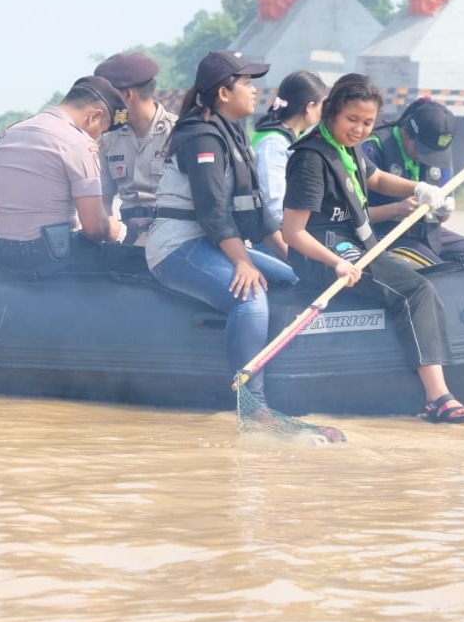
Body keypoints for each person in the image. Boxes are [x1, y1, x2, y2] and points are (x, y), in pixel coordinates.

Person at [281, 73, 464, 423]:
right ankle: (438, 399)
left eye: (368, 122)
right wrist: (337, 264)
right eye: (352, 120)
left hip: (351, 242)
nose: (360, 129)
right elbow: (292, 232)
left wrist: (419, 188)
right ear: (331, 111)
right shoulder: (311, 159)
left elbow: (375, 178)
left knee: (415, 277)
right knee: (415, 289)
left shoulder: (346, 149)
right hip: (322, 252)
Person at [144, 50, 307, 422]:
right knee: (249, 298)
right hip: (178, 246)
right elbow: (212, 212)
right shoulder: (202, 137)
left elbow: (260, 214)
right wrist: (243, 262)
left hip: (209, 241)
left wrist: (294, 257)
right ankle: (252, 405)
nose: (255, 91)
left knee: (294, 278)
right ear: (223, 93)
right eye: (247, 83)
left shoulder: (231, 133)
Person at [0, 75, 128, 275]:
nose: (97, 137)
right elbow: (94, 228)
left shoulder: (9, 134)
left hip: (6, 255)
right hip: (54, 260)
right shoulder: (78, 143)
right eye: (101, 130)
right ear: (94, 116)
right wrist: (115, 229)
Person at [361, 97, 464, 265]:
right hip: (386, 237)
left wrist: (444, 211)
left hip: (429, 234)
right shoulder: (372, 148)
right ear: (406, 133)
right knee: (437, 269)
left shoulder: (437, 151)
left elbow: (442, 217)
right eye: (424, 151)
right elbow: (351, 216)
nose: (429, 159)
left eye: (435, 153)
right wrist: (397, 209)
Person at [93, 52, 177, 244]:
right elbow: (104, 200)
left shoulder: (178, 133)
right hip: (128, 236)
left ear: (126, 95)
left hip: (172, 237)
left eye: (106, 98)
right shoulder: (109, 139)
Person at [252, 70, 328, 224]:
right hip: (276, 236)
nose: (324, 111)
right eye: (322, 104)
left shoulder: (293, 138)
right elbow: (274, 204)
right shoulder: (273, 143)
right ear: (310, 106)